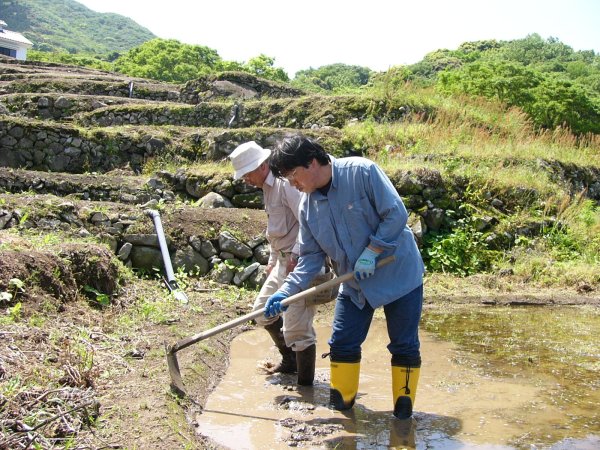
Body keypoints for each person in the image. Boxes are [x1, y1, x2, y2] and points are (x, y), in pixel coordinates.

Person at [264, 135, 425, 419]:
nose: (292, 184)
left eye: (293, 175)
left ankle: (403, 418)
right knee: (342, 344)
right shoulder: (307, 207)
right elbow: (310, 257)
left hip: (398, 273)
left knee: (404, 345)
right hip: (355, 283)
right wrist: (286, 291)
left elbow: (395, 213)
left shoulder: (361, 172)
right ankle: (342, 413)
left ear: (311, 163)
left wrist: (373, 250)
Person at [229, 141, 317, 386]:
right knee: (262, 313)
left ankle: (306, 388)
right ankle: (290, 361)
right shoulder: (267, 189)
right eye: (243, 175)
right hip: (282, 261)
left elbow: (308, 221)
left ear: (262, 165)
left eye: (247, 173)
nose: (246, 179)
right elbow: (276, 230)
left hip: (299, 262)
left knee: (298, 328)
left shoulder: (285, 184)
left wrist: (296, 255)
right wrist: (272, 261)